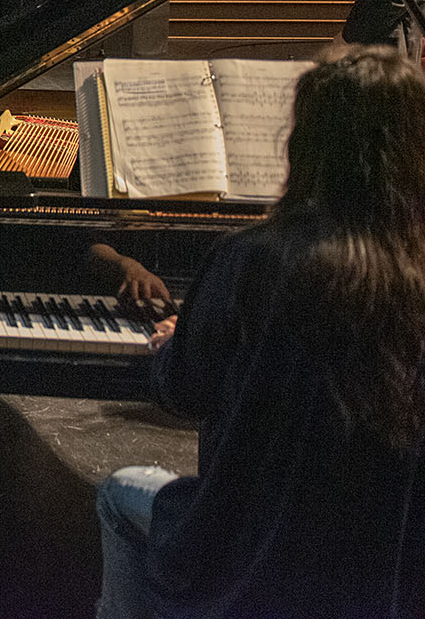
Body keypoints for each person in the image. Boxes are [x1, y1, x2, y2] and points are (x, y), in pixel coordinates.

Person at [95, 47, 425, 619]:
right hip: (389, 569)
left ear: (306, 144)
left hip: (251, 552)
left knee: (118, 494)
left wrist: (174, 342)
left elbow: (185, 392)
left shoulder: (254, 260)